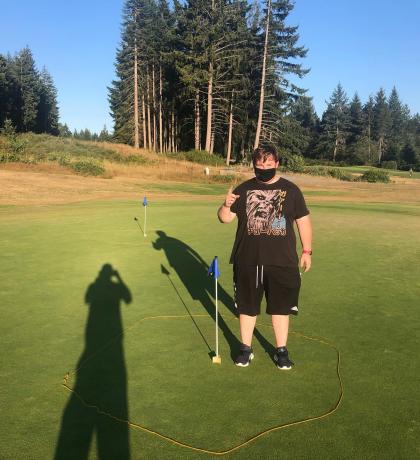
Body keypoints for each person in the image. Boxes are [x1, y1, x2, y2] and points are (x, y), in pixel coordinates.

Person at [217, 145, 312, 370]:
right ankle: (245, 349)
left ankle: (281, 351)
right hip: (247, 260)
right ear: (254, 165)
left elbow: (303, 221)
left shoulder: (292, 190)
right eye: (259, 165)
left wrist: (307, 251)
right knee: (247, 308)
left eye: (268, 165)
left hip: (282, 261)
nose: (264, 169)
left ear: (277, 164)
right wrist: (226, 204)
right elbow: (224, 219)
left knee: (280, 308)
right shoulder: (243, 189)